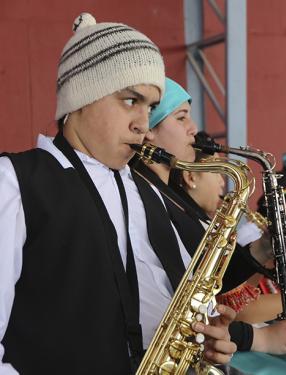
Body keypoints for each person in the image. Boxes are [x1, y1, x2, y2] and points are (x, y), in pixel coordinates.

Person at [0, 13, 235, 375]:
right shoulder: (13, 181)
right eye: (130, 100)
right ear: (80, 97)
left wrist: (199, 342)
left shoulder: (139, 187)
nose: (143, 123)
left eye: (151, 107)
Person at [130, 77, 286, 360]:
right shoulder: (141, 197)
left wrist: (261, 249)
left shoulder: (170, 193)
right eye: (181, 118)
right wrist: (259, 338)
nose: (193, 129)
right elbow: (177, 301)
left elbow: (210, 278)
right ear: (149, 131)